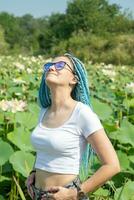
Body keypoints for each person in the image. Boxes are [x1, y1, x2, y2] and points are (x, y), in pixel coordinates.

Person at [25, 53, 120, 200]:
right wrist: (33, 173)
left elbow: (112, 165)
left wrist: (74, 193)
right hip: (37, 194)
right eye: (49, 65)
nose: (52, 68)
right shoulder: (44, 111)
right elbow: (44, 149)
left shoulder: (82, 113)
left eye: (60, 65)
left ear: (74, 79)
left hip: (66, 194)